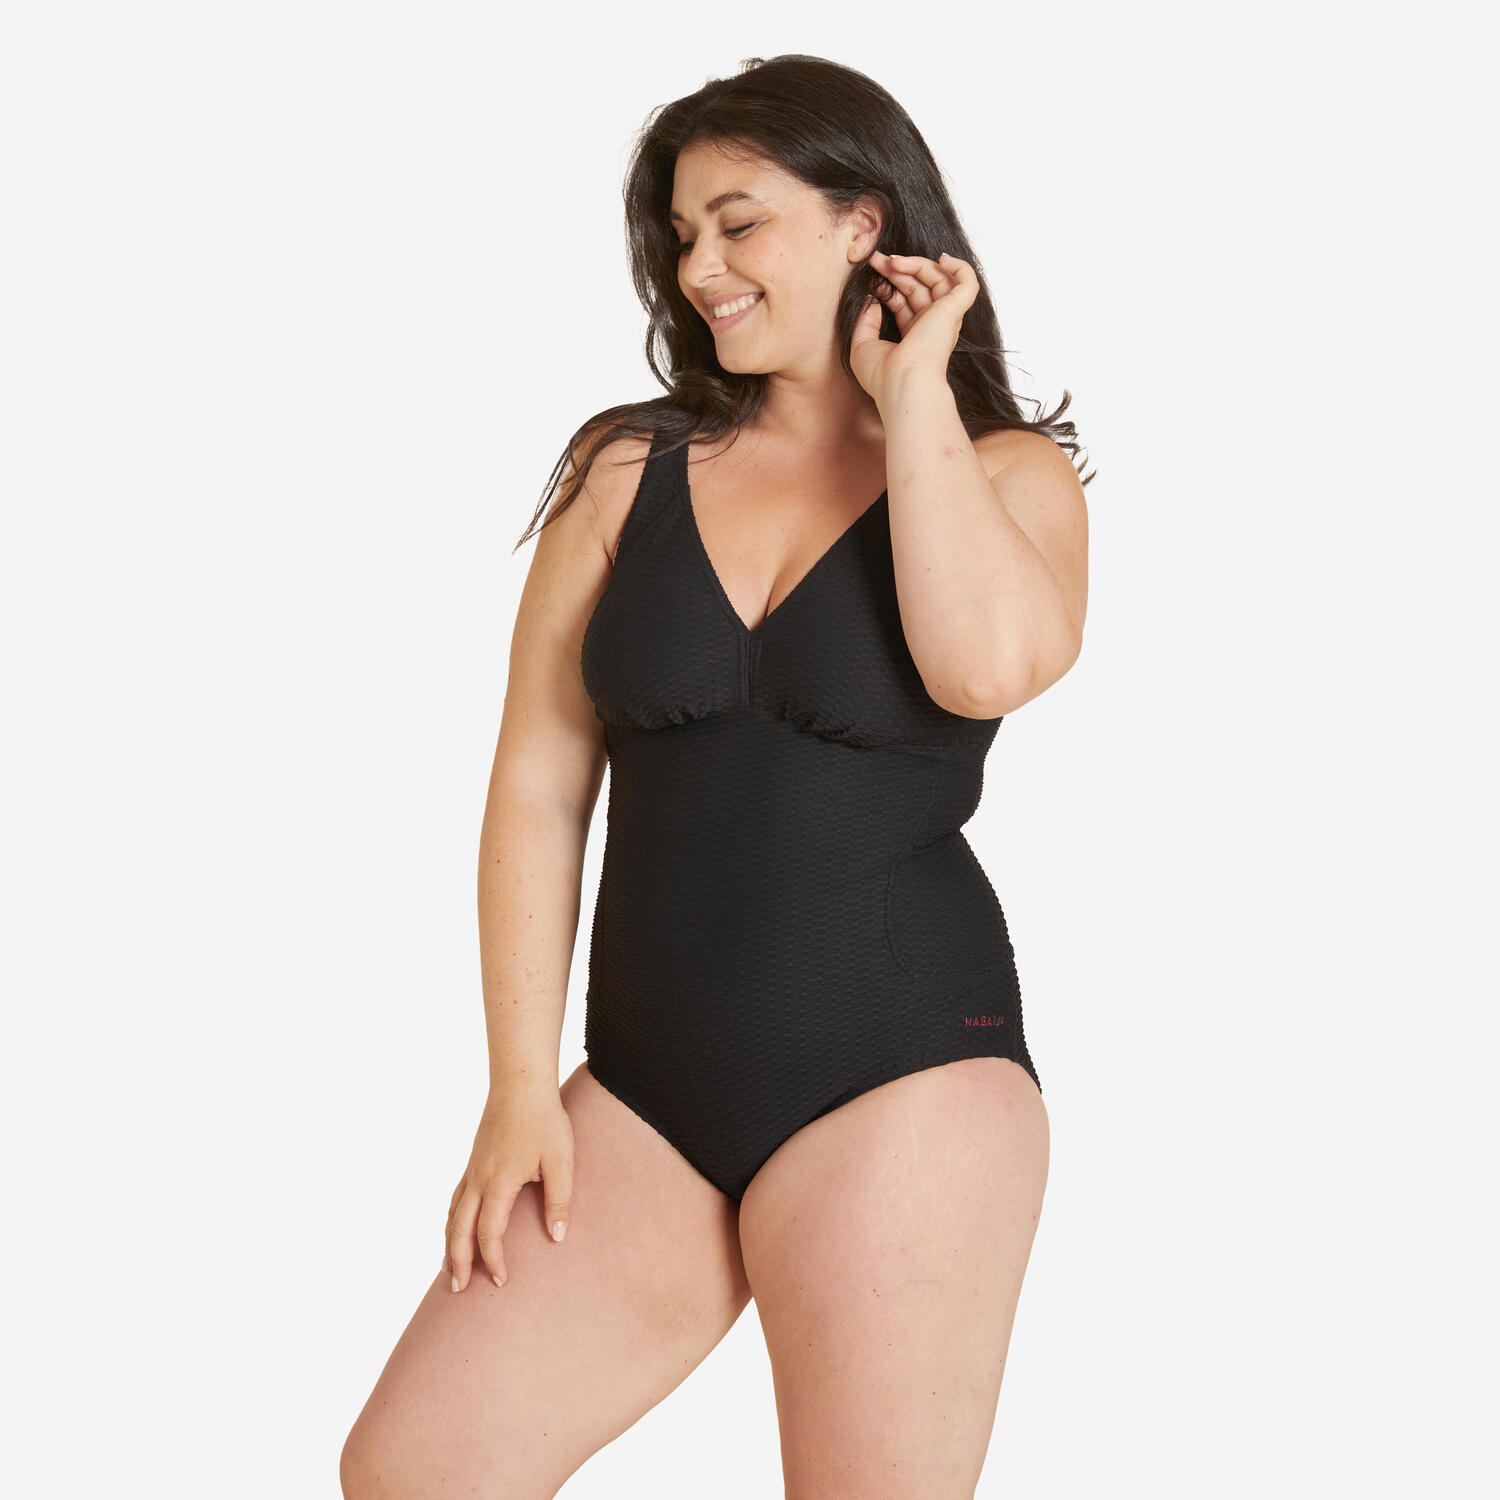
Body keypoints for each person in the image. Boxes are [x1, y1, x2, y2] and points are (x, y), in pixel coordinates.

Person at [341, 53, 1091, 1500]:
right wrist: (519, 1087)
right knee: (416, 1469)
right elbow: (538, 783)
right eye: (683, 235)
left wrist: (914, 398)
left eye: (740, 225)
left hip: (903, 1068)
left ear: (863, 225)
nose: (700, 270)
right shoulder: (626, 473)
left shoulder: (1007, 476)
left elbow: (986, 667)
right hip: (644, 1088)